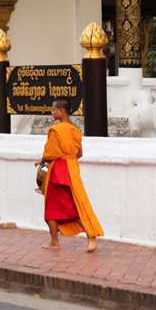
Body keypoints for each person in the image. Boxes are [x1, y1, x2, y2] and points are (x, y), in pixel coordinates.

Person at [41, 99, 103, 252]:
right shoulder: (75, 129)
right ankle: (56, 241)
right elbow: (79, 153)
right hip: (72, 170)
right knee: (70, 205)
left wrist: (42, 161)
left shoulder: (56, 130)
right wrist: (68, 159)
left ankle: (88, 235)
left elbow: (49, 154)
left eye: (54, 110)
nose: (52, 112)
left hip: (58, 172)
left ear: (61, 111)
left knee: (56, 209)